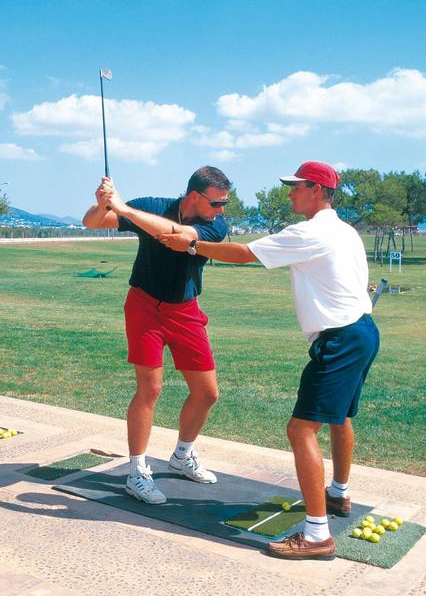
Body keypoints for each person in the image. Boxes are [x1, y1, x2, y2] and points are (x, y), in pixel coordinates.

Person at [159, 161, 380, 560]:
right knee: (340, 416)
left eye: (296, 187)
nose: (290, 192)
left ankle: (316, 537)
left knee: (300, 431)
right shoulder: (345, 231)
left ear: (316, 190)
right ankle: (339, 495)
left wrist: (192, 245)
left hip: (341, 339)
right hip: (363, 331)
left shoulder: (310, 231)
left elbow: (244, 254)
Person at [83, 167, 231, 505]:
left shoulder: (215, 226)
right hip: (144, 306)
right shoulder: (152, 204)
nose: (222, 209)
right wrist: (103, 202)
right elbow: (93, 222)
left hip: (186, 310)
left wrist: (124, 209)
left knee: (207, 393)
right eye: (217, 202)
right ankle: (136, 472)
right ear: (195, 196)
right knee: (150, 388)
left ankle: (182, 455)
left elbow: (175, 235)